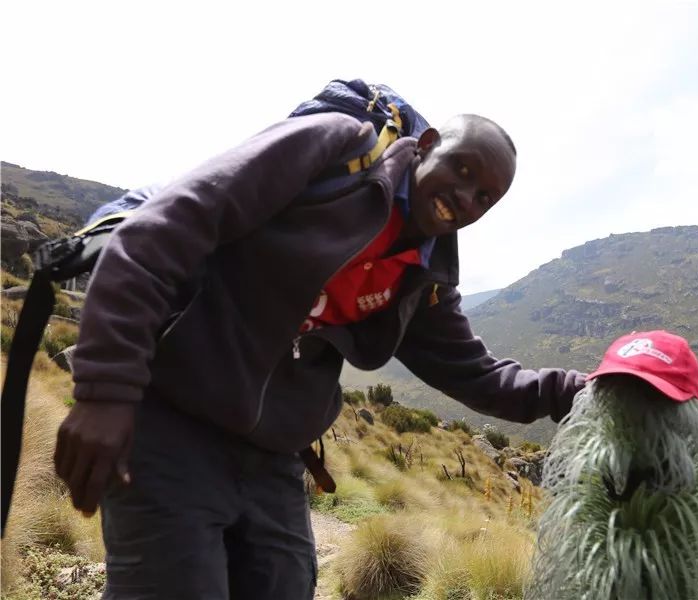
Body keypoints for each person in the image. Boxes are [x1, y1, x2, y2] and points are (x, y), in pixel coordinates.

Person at [54, 107, 586, 599]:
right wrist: (105, 394)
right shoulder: (335, 149)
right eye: (464, 170)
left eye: (486, 198)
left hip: (274, 458)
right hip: (170, 424)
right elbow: (160, 233)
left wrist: (580, 392)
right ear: (425, 145)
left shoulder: (424, 277)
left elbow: (480, 377)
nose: (468, 199)